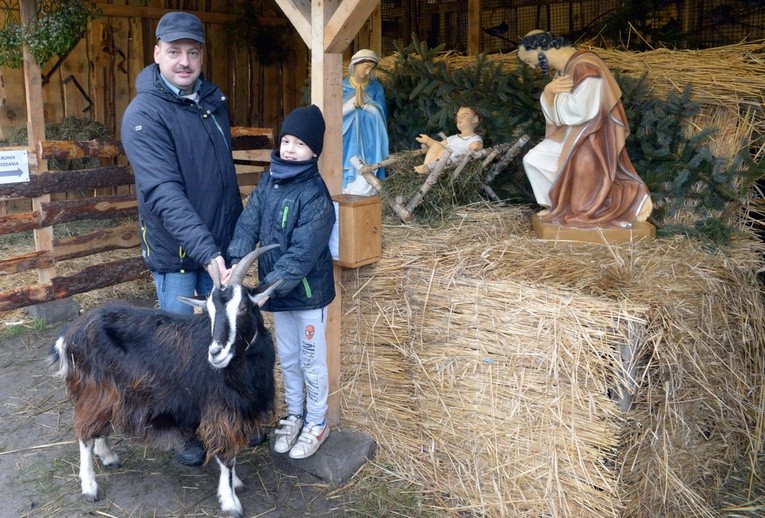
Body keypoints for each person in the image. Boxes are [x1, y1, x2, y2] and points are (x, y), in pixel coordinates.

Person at [120, 11, 243, 466]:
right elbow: (164, 193)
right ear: (157, 54)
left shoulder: (211, 101)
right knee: (178, 352)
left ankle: (223, 423)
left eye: (193, 52)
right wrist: (206, 250)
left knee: (221, 342)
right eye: (175, 52)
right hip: (179, 256)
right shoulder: (144, 113)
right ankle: (181, 431)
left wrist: (233, 242)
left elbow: (225, 181)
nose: (185, 62)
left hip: (219, 251)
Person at [226, 105, 336, 460]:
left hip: (306, 296)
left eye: (300, 144)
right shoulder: (268, 182)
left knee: (310, 360)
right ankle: (295, 415)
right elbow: (248, 223)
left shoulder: (316, 195)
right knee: (287, 358)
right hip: (276, 296)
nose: (289, 148)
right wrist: (235, 265)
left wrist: (263, 288)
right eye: (286, 140)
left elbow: (302, 255)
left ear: (314, 151)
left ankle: (317, 422)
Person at [517, 30, 652, 228]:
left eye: (529, 61)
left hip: (594, 135)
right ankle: (557, 207)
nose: (532, 67)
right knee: (533, 160)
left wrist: (553, 95)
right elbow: (557, 116)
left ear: (540, 49)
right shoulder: (564, 70)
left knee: (583, 201)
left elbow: (581, 111)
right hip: (574, 133)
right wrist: (548, 94)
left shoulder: (586, 67)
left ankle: (633, 198)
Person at [342, 49, 389, 196]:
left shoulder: (376, 88)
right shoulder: (341, 86)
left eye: (371, 68)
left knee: (368, 163)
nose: (368, 71)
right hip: (346, 135)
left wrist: (366, 107)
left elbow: (381, 115)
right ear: (355, 65)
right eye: (365, 66)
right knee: (346, 161)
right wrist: (352, 106)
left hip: (369, 137)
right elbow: (333, 114)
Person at [414, 106, 484, 174]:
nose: (459, 119)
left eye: (464, 116)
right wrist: (428, 140)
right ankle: (426, 167)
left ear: (475, 119)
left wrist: (476, 146)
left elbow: (478, 145)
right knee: (436, 145)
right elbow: (440, 144)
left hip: (455, 160)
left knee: (448, 159)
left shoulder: (474, 137)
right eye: (458, 117)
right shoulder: (453, 137)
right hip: (443, 156)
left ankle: (428, 168)